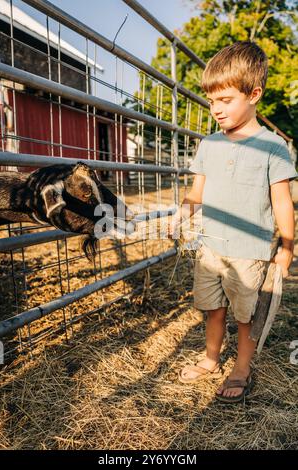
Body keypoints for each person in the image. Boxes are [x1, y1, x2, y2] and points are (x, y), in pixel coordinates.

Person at [170, 41, 298, 403]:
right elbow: (197, 191)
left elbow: (282, 201)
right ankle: (211, 358)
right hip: (209, 245)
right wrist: (183, 214)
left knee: (245, 314)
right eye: (211, 101)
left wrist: (286, 248)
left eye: (225, 100)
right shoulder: (208, 144)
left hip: (250, 251)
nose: (215, 109)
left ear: (254, 93)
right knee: (212, 307)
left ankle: (241, 367)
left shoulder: (273, 146)